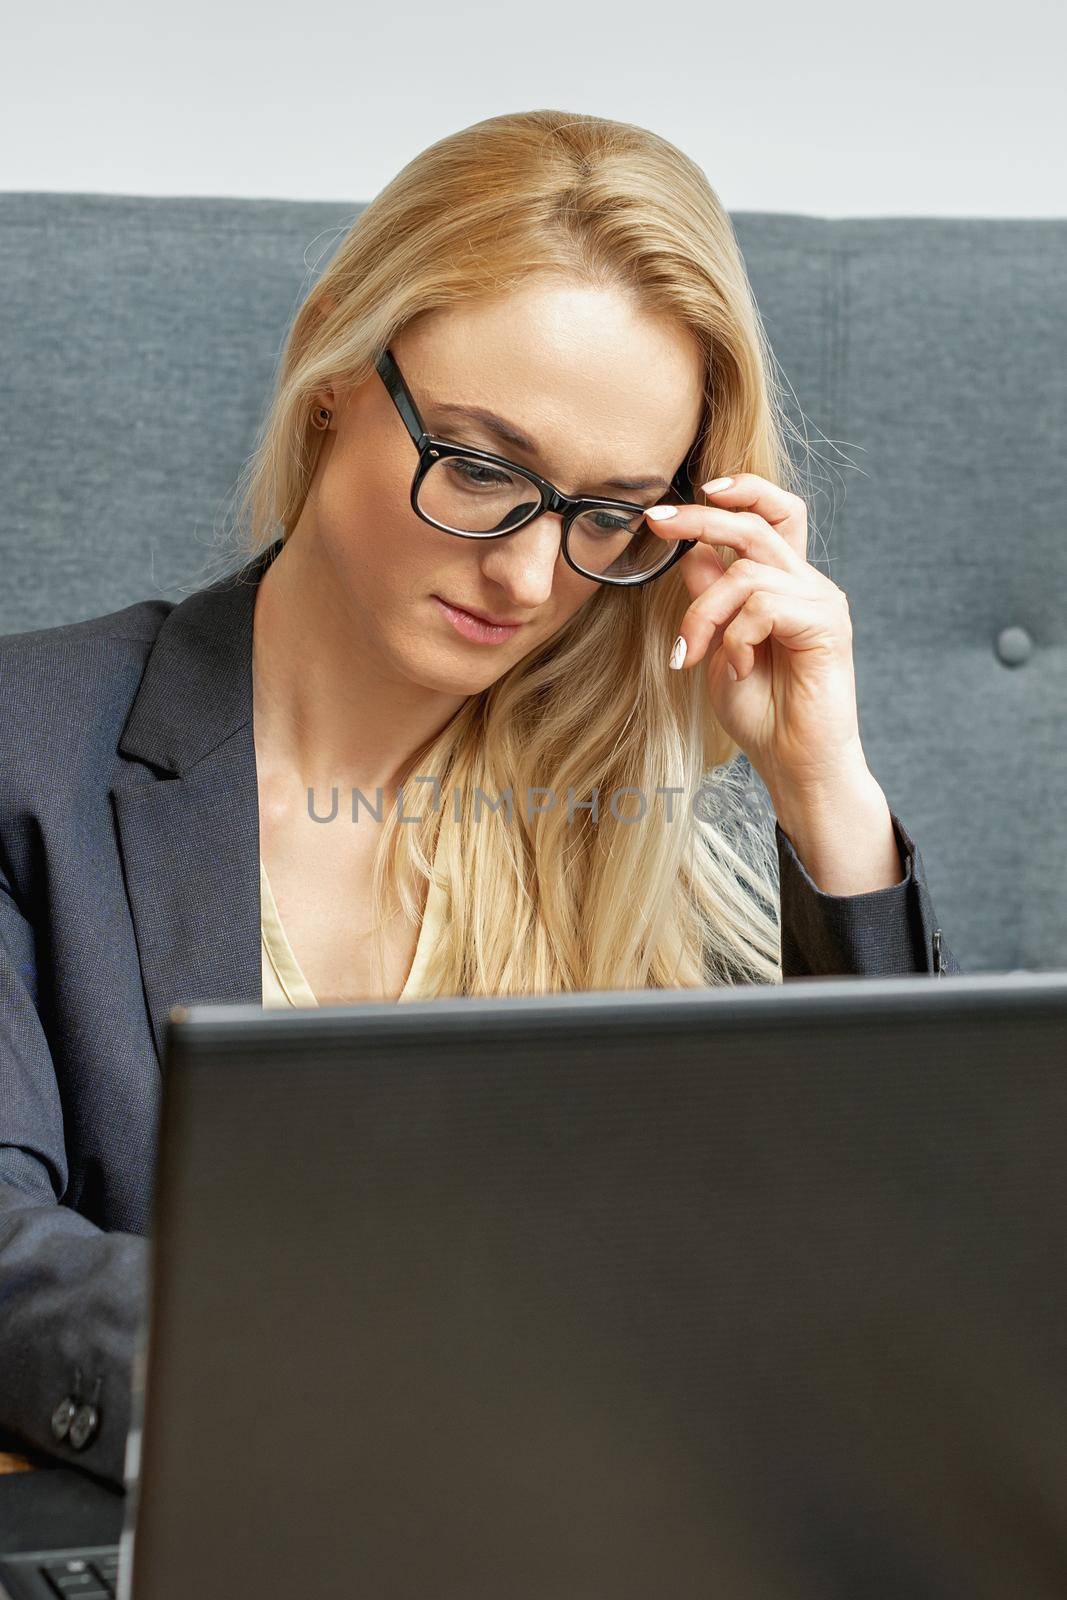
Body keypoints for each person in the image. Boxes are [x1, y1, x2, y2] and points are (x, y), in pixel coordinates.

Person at [0, 109, 959, 1488]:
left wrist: (827, 793)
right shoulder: (29, 755)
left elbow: (906, 1280)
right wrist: (386, 1380)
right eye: (484, 469)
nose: (529, 579)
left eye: (610, 515)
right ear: (336, 363)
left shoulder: (630, 823)